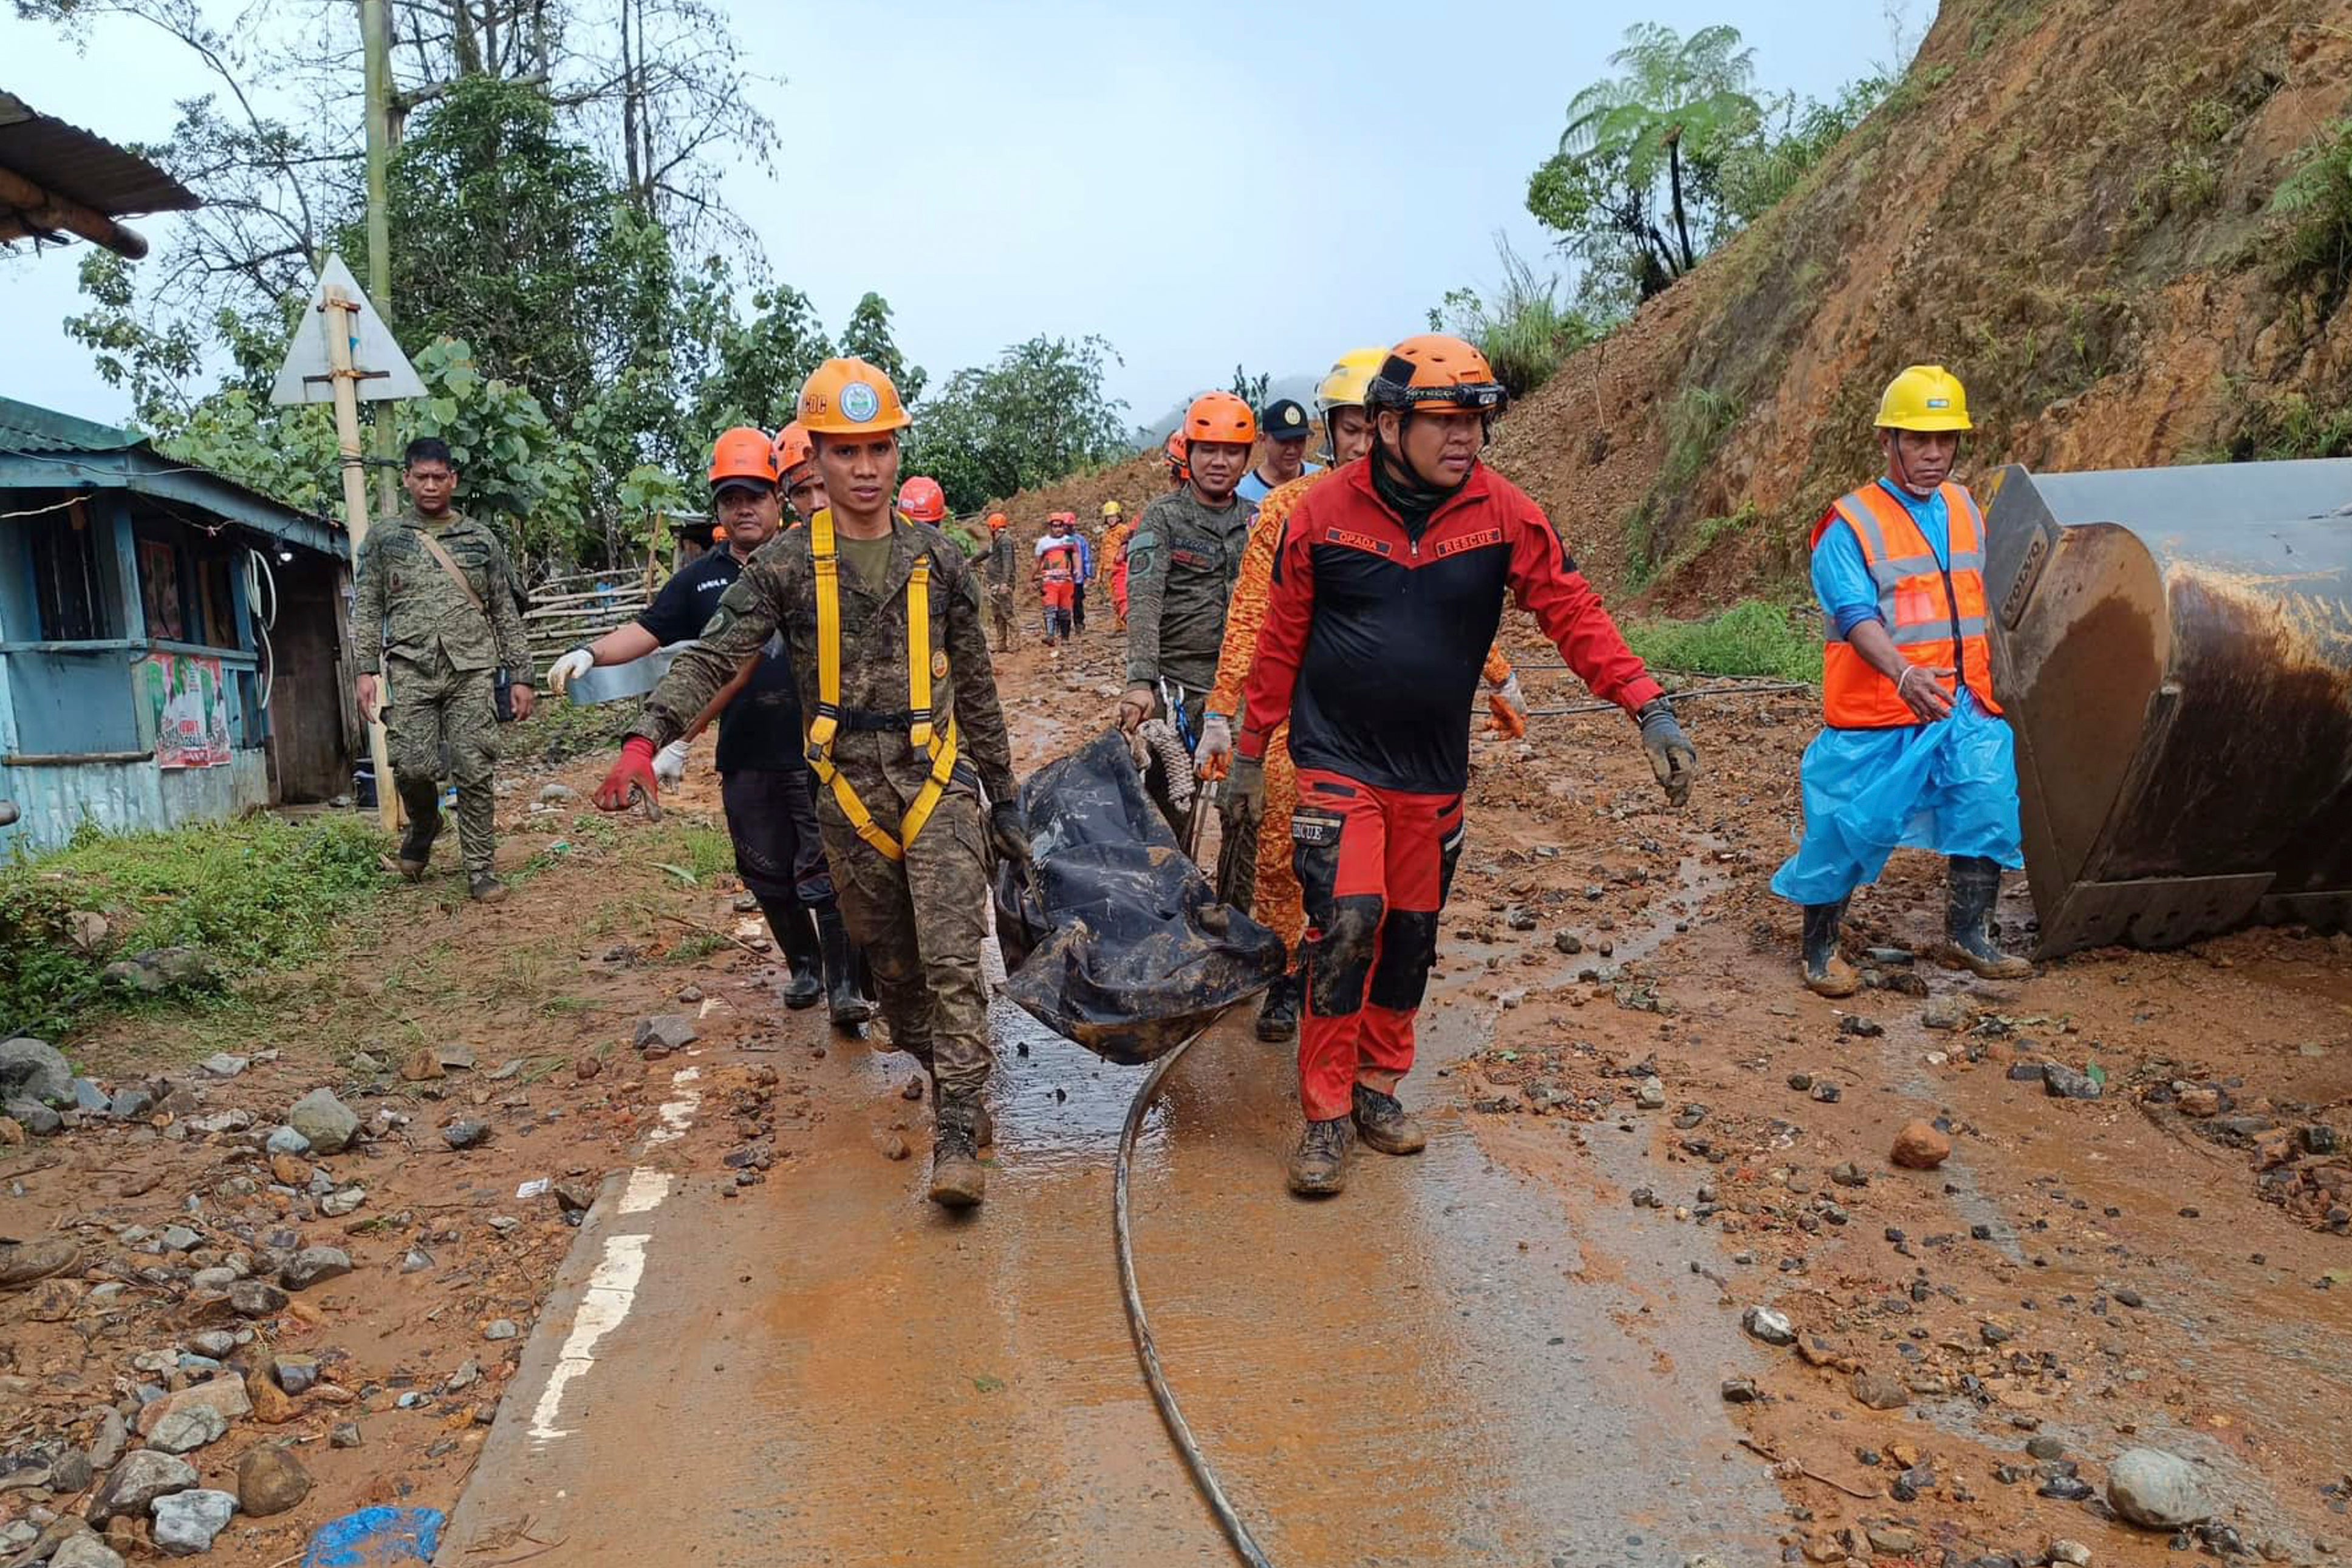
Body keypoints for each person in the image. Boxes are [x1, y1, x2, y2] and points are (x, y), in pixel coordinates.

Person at [1228, 335, 1698, 1198]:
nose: (1466, 440)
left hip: (1433, 771)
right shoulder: (1320, 515)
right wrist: (1250, 756)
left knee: (1410, 937)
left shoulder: (1504, 513)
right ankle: (1326, 1113)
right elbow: (1278, 644)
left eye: (1477, 422)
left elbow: (1573, 609)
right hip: (1337, 761)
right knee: (1347, 925)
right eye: (1446, 422)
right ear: (1390, 424)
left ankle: (1377, 1090)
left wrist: (1648, 704)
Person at [592, 359, 1028, 1208]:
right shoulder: (783, 567)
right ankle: (947, 1069)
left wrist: (1005, 799)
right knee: (895, 985)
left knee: (949, 960)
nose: (864, 468)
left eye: (879, 448)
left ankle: (958, 1130)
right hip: (848, 799)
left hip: (936, 783)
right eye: (844, 451)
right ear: (816, 462)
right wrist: (647, 738)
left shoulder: (942, 560)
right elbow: (716, 655)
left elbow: (976, 689)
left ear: (897, 453)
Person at [1200, 348, 1533, 1045]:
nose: (1358, 442)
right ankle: (1287, 979)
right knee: (1287, 866)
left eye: (1365, 428)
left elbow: (1441, 610)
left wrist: (1497, 673)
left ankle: (1362, 1011)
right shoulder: (1300, 510)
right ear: (1336, 431)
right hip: (1304, 721)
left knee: (1384, 894)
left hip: (1399, 739)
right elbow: (1254, 621)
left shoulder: (1428, 503)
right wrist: (1223, 717)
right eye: (1346, 430)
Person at [547, 428, 874, 1029]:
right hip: (747, 750)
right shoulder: (700, 580)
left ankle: (845, 984)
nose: (743, 506)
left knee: (827, 869)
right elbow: (651, 634)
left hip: (817, 749)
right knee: (764, 868)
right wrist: (589, 652)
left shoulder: (813, 561)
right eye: (729, 497)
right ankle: (803, 964)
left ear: (778, 498)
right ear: (718, 509)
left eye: (754, 494)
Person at [1769, 365, 2029, 997]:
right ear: (1887, 441)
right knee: (1843, 826)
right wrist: (1903, 671)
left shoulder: (1966, 508)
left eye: (1944, 439)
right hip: (1878, 711)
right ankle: (1820, 949)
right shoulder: (1849, 524)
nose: (1933, 453)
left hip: (1961, 703)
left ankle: (1971, 935)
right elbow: (1854, 614)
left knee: (1987, 803)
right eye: (1918, 439)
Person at [352, 437, 535, 904]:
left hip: (472, 669)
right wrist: (364, 669)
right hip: (411, 668)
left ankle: (480, 869)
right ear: (408, 479)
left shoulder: (480, 539)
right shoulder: (384, 540)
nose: (431, 486)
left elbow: (504, 612)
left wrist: (522, 675)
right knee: (412, 766)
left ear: (453, 479)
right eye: (422, 477)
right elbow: (369, 607)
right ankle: (426, 823)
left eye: (440, 477)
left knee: (474, 767)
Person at [1118, 392, 1257, 827]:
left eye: (1232, 452)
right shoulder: (1163, 518)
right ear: (1190, 453)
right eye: (1209, 450)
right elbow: (1144, 601)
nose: (1220, 461)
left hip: (1238, 692)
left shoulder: (1258, 520)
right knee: (1167, 810)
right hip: (1174, 686)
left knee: (1246, 809)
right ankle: (1168, 894)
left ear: (1246, 457)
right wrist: (1140, 682)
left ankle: (1233, 897)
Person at [1236, 396, 1321, 510]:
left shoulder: (1321, 480)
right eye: (1283, 442)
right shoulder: (1242, 494)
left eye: (1300, 441)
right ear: (1262, 439)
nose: (1292, 450)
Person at [1034, 513, 1082, 646]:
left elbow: (1076, 556)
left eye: (1060, 526)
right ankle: (1050, 635)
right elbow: (1037, 561)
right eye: (1055, 526)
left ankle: (1065, 638)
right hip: (1049, 581)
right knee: (1050, 607)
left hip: (1066, 581)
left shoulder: (1070, 541)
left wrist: (1078, 569)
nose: (1058, 529)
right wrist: (1034, 575)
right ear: (1050, 527)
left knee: (1065, 609)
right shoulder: (1043, 543)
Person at [982, 511, 1020, 649]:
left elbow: (1008, 563)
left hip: (1002, 584)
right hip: (995, 584)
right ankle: (1001, 644)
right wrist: (971, 561)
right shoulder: (996, 541)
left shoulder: (1005, 541)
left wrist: (1005, 582)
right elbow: (985, 553)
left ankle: (1016, 643)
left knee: (1007, 613)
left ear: (993, 526)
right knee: (998, 615)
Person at [1099, 500, 1133, 630]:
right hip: (1110, 570)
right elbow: (1103, 554)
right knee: (1114, 599)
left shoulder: (1124, 530)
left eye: (1113, 517)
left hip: (1121, 568)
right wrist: (1100, 573)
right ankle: (1120, 625)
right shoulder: (1107, 534)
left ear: (1119, 516)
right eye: (1108, 517)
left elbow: (1127, 546)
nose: (1111, 520)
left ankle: (1127, 623)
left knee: (1122, 596)